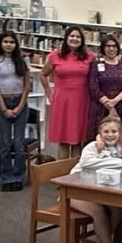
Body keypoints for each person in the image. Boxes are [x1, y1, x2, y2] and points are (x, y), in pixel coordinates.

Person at [70, 115, 122, 243]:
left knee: (118, 208)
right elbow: (87, 163)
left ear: (120, 133)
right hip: (73, 190)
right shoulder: (92, 146)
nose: (110, 134)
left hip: (96, 190)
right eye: (106, 131)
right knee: (98, 211)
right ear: (100, 132)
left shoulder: (118, 149)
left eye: (114, 131)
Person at [41, 25, 94, 160]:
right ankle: (62, 174)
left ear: (82, 40)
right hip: (62, 100)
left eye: (78, 37)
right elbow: (43, 75)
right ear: (66, 38)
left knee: (77, 140)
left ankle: (75, 175)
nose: (74, 39)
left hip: (81, 100)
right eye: (72, 36)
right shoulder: (55, 56)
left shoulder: (90, 57)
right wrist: (49, 93)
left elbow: (95, 78)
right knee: (63, 140)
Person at [0, 30, 31, 192]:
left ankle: (19, 177)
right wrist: (4, 107)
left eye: (12, 42)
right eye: (5, 42)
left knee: (19, 144)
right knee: (5, 143)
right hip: (3, 101)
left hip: (20, 100)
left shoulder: (23, 60)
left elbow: (27, 85)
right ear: (0, 43)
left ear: (16, 44)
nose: (8, 45)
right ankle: (6, 177)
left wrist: (20, 106)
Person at [87, 33, 122, 140]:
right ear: (103, 48)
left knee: (121, 138)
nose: (111, 49)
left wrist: (115, 101)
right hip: (100, 107)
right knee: (99, 138)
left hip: (121, 107)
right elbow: (93, 86)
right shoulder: (96, 65)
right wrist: (106, 102)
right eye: (108, 46)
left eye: (114, 46)